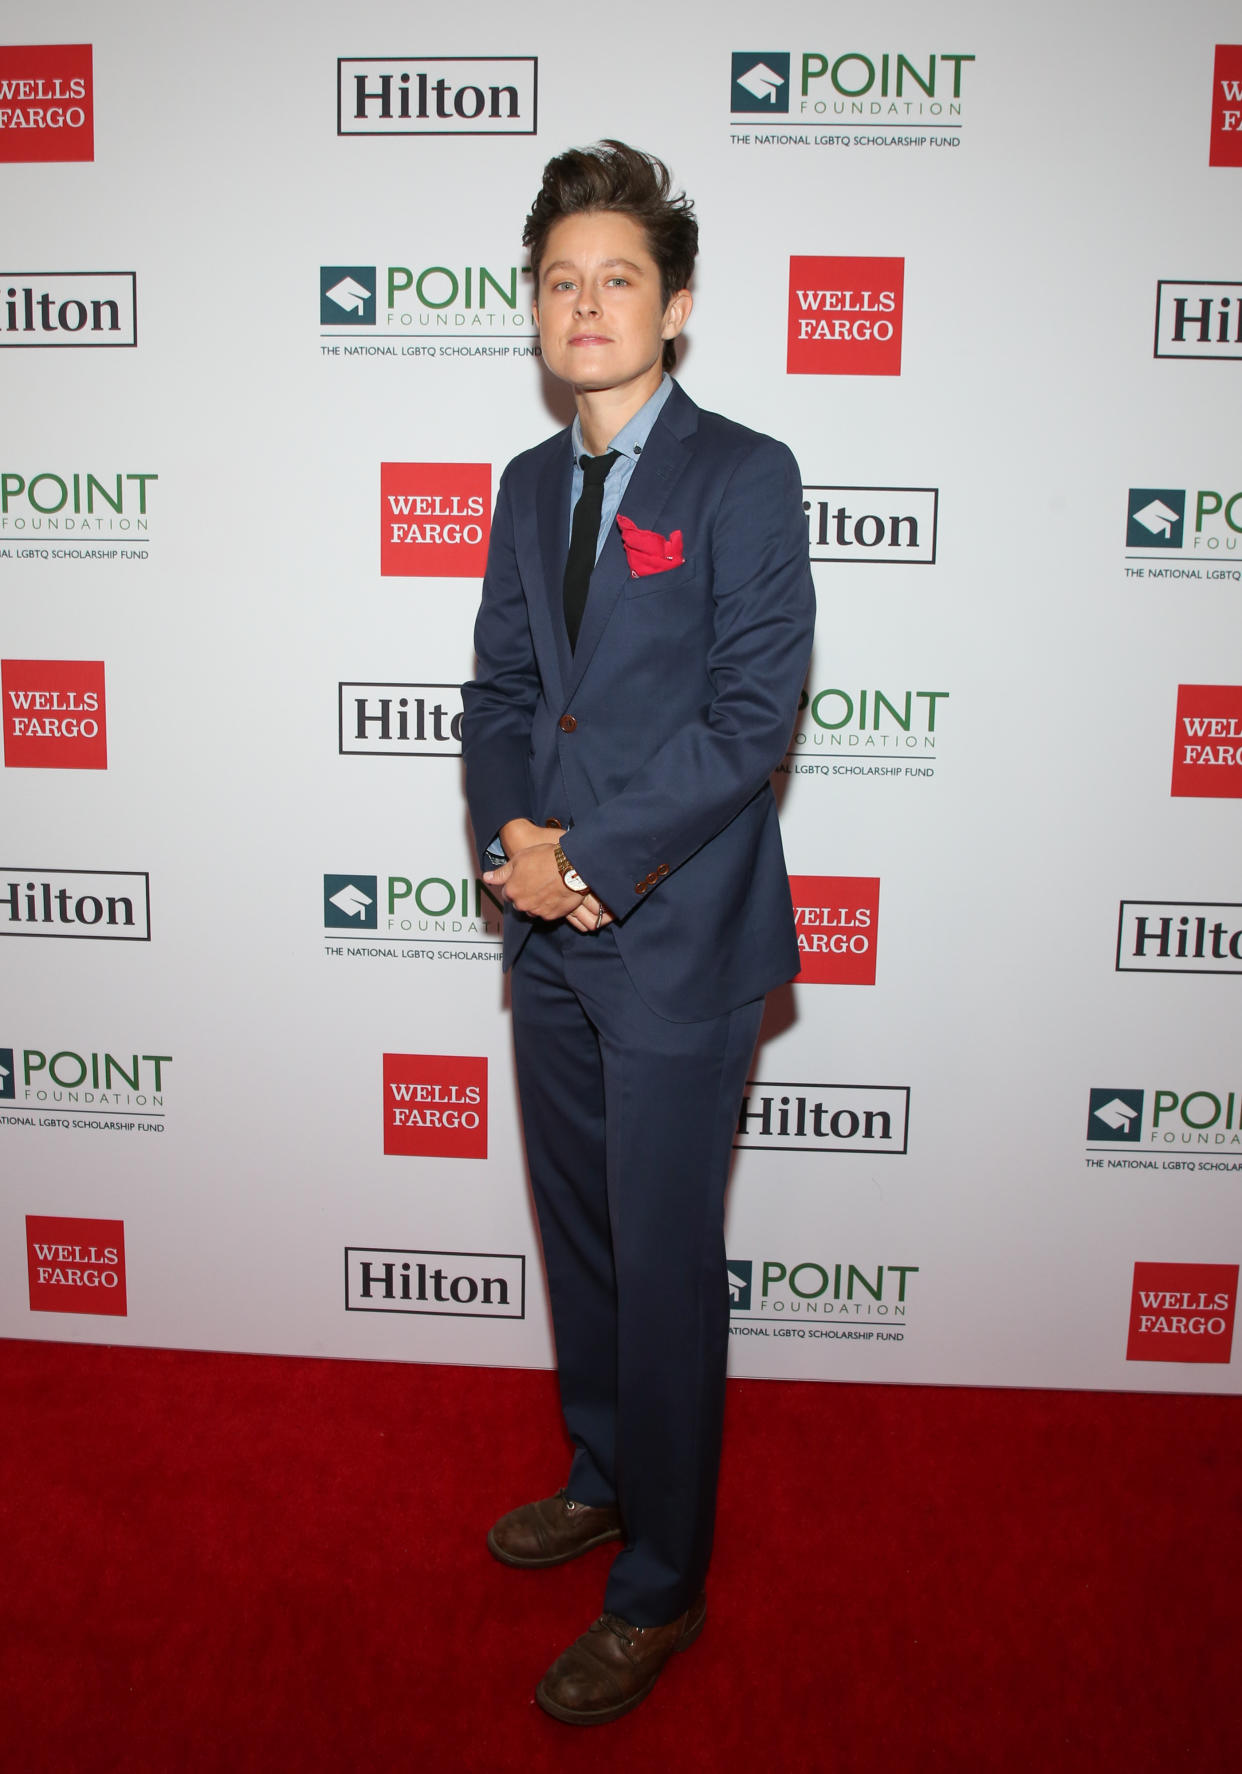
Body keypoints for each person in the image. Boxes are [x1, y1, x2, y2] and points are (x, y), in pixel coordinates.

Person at [461, 140, 815, 1725]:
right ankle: (606, 1468)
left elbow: (749, 721)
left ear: (672, 309)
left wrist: (587, 860)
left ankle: (660, 1581)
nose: (584, 304)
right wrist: (510, 847)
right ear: (534, 311)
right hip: (545, 936)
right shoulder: (527, 485)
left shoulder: (744, 474)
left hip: (672, 943)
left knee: (666, 1264)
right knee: (586, 1239)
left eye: (617, 279)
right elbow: (499, 698)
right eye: (560, 280)